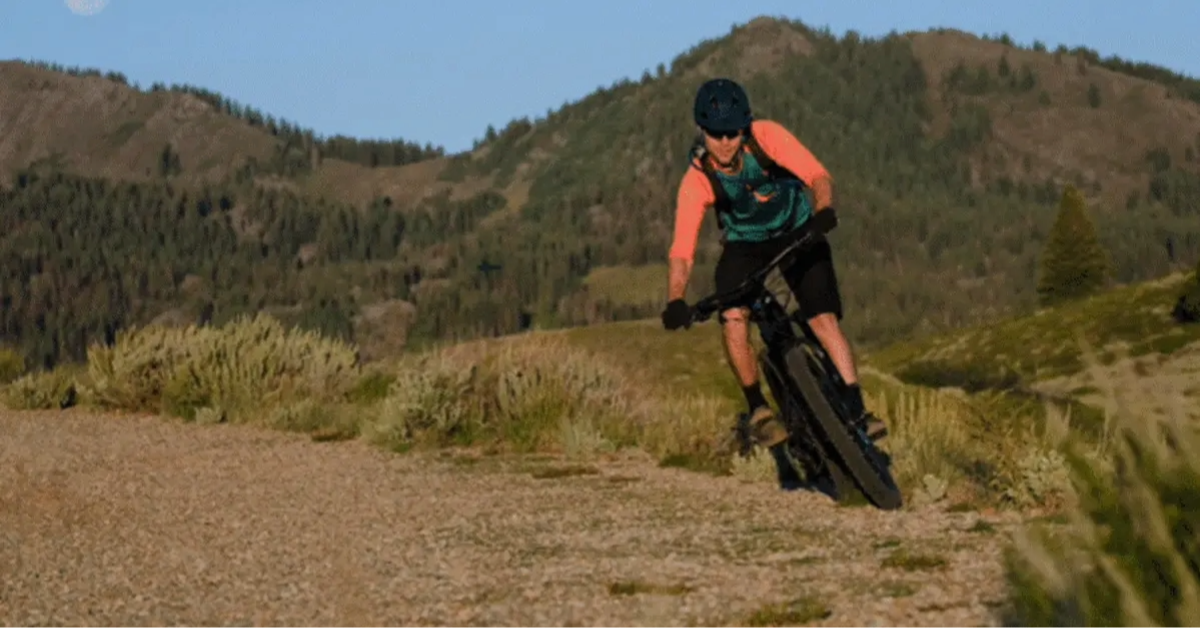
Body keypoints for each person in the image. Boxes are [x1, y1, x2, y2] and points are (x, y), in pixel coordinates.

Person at [660, 77, 887, 454]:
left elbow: (817, 176)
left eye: (733, 132)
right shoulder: (697, 179)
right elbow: (682, 251)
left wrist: (823, 210)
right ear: (702, 131)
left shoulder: (766, 137)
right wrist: (675, 300)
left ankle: (857, 409)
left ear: (744, 127)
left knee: (822, 318)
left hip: (798, 229)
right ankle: (759, 410)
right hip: (745, 244)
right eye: (716, 134)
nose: (726, 142)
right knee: (732, 313)